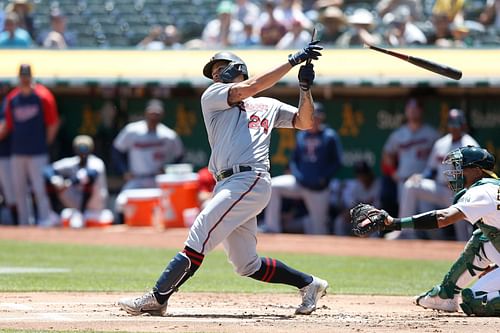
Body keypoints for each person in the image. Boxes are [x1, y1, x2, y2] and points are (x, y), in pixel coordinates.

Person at [118, 41, 329, 316]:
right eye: (214, 72)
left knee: (200, 232)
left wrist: (304, 89)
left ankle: (158, 297)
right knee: (246, 264)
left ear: (237, 68)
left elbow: (304, 121)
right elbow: (249, 88)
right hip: (226, 183)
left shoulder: (266, 105)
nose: (215, 75)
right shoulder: (214, 96)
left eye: (220, 68)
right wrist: (292, 60)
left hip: (250, 178)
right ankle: (309, 284)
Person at [363, 146, 500, 316]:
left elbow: (443, 218)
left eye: (462, 167)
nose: (456, 171)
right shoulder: (493, 187)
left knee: (475, 300)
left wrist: (394, 223)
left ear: (478, 171)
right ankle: (446, 295)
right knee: (481, 239)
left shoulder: (482, 191)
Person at [398, 109, 479, 241]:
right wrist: (422, 176)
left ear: (463, 125)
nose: (454, 128)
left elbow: (476, 175)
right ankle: (405, 232)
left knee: (463, 236)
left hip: (460, 193)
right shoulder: (441, 143)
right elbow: (431, 169)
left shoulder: (470, 145)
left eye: (457, 125)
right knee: (411, 185)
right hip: (439, 188)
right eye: (451, 125)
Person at [262, 102, 343, 234]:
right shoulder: (302, 135)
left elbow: (337, 162)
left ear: (321, 118)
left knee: (319, 229)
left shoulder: (329, 136)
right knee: (273, 186)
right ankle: (272, 227)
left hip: (318, 189)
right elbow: (294, 160)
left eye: (316, 117)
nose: (314, 120)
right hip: (299, 183)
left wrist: (324, 178)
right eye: (311, 117)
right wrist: (297, 175)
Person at [0, 64, 60, 226]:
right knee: (19, 191)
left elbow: (53, 123)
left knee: (39, 188)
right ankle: (24, 224)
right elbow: (7, 126)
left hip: (37, 151)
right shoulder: (13, 98)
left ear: (31, 76)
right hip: (17, 151)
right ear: (19, 77)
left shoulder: (43, 96)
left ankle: (45, 220)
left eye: (27, 76)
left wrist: (46, 142)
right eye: (22, 76)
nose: (25, 79)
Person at [112, 99, 184, 224]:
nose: (153, 116)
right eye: (151, 113)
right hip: (137, 177)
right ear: (146, 113)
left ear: (162, 115)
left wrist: (168, 169)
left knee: (167, 207)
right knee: (121, 202)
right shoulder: (132, 130)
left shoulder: (168, 135)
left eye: (157, 114)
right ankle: (121, 231)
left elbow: (180, 155)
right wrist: (124, 171)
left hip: (158, 179)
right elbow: (116, 150)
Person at [43, 135, 108, 225]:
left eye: (85, 148)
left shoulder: (96, 163)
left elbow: (90, 176)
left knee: (87, 183)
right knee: (51, 182)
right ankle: (54, 214)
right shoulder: (72, 162)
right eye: (80, 149)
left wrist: (68, 183)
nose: (83, 152)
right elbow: (47, 170)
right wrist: (55, 180)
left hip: (95, 204)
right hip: (76, 201)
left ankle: (81, 213)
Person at [334, 160, 381, 236]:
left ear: (369, 173)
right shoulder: (357, 185)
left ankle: (374, 246)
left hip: (373, 216)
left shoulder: (378, 185)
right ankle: (342, 245)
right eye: (359, 175)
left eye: (364, 174)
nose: (362, 177)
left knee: (376, 221)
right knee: (339, 221)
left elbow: (378, 208)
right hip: (359, 216)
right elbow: (352, 205)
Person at [0, 102, 17, 225]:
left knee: (11, 193)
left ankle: (15, 223)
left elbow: (4, 129)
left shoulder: (9, 101)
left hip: (6, 156)